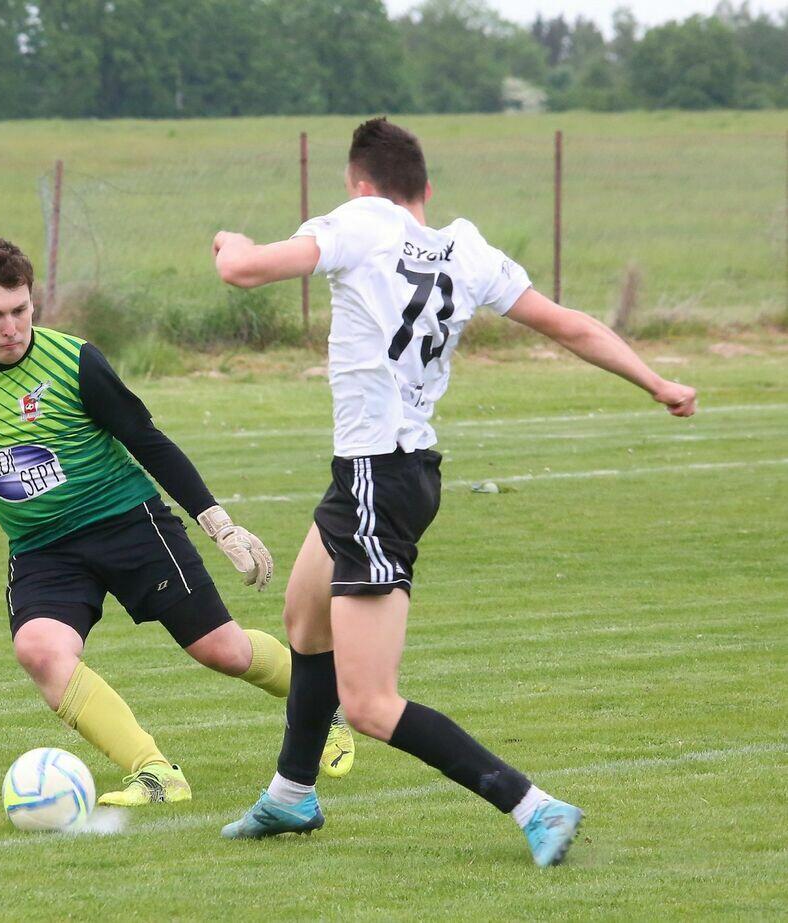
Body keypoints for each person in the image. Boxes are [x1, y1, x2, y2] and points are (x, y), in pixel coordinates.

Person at [211, 118, 697, 865]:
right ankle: (290, 794)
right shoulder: (465, 248)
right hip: (389, 475)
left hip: (377, 480)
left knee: (370, 703)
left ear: (360, 185)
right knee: (305, 620)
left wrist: (230, 242)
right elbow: (567, 325)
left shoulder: (358, 222)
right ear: (426, 190)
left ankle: (533, 805)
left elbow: (244, 271)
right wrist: (656, 381)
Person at [0, 236, 351, 805]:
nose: (11, 327)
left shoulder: (74, 360)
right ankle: (156, 774)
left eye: (21, 310)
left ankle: (326, 702)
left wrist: (219, 524)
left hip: (128, 524)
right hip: (41, 548)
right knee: (39, 650)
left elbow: (146, 439)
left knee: (223, 651)